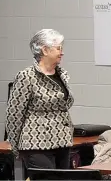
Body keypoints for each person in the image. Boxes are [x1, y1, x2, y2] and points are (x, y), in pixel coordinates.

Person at [5, 29, 74, 169]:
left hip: (62, 140)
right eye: (58, 48)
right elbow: (14, 114)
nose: (62, 52)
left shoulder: (62, 74)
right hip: (36, 142)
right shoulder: (27, 76)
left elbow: (66, 105)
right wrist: (14, 145)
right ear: (45, 50)